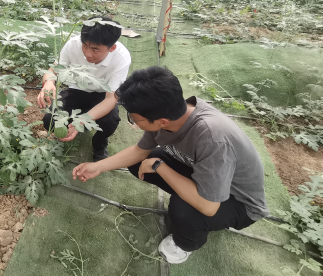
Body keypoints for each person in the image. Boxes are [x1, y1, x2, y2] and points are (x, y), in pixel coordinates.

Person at [72, 67, 269, 264]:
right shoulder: (170, 113)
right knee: (142, 162)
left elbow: (208, 206)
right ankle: (185, 195)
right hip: (206, 175)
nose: (134, 122)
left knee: (183, 209)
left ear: (162, 121)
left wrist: (160, 167)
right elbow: (139, 152)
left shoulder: (212, 138)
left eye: (134, 118)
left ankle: (186, 243)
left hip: (238, 201)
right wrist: (99, 166)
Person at [38, 16, 132, 161]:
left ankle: (100, 144)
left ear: (112, 48)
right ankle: (79, 122)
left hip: (103, 95)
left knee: (110, 121)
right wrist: (48, 82)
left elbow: (110, 100)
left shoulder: (121, 58)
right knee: (49, 120)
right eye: (84, 46)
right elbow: (53, 70)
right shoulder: (72, 45)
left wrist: (81, 121)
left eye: (95, 49)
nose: (87, 53)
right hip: (76, 90)